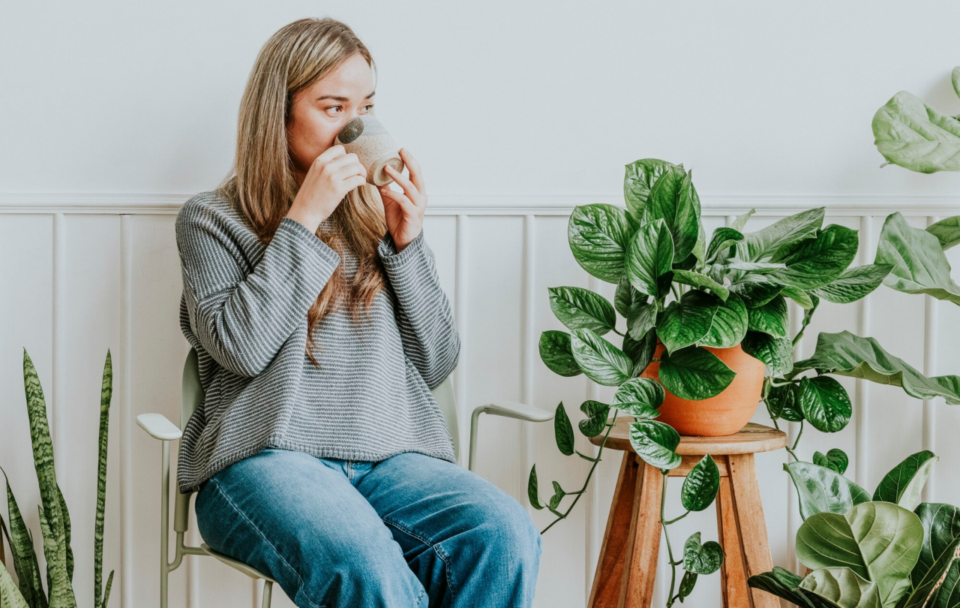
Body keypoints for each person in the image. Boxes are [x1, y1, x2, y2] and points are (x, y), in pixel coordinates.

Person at [174, 16, 542, 608]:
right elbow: (239, 347)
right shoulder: (212, 220)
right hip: (262, 460)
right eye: (333, 107)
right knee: (360, 561)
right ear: (279, 113)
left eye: (365, 106)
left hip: (390, 459)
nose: (357, 126)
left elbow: (437, 358)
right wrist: (301, 222)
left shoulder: (374, 217)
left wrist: (408, 243)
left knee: (502, 534)